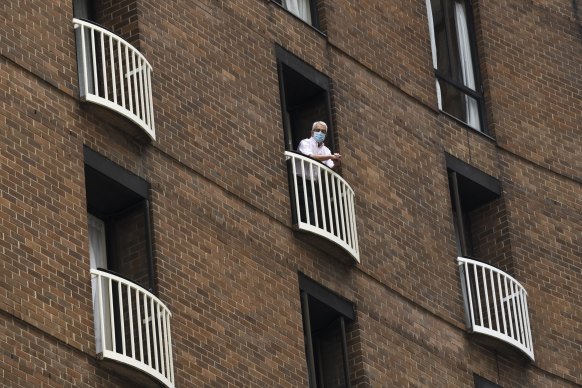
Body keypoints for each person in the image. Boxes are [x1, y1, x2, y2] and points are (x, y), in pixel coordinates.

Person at [294, 121, 341, 228]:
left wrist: (336, 163)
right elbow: (310, 156)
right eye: (317, 130)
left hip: (312, 182)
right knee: (306, 205)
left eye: (323, 131)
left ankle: (311, 226)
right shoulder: (305, 143)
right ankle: (308, 226)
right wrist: (330, 157)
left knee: (312, 205)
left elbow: (330, 167)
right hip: (300, 179)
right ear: (311, 132)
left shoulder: (326, 150)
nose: (320, 133)